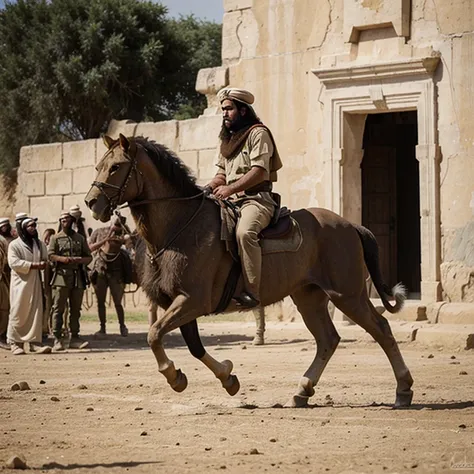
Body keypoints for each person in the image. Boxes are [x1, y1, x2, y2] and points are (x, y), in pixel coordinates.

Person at [206, 87, 283, 342]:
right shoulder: (227, 139)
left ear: (242, 110)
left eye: (228, 109)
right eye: (223, 109)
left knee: (244, 232)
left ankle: (251, 292)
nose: (224, 114)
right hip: (230, 199)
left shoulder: (258, 133)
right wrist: (207, 187)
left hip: (256, 200)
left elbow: (260, 171)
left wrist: (231, 188)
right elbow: (221, 174)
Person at [48, 210, 92, 351]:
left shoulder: (80, 238)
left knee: (75, 309)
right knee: (58, 308)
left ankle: (75, 338)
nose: (64, 221)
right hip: (61, 277)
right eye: (61, 219)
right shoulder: (55, 238)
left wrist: (80, 260)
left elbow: (89, 257)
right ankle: (57, 339)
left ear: (72, 221)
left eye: (66, 219)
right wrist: (63, 259)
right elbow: (50, 255)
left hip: (77, 277)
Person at [7, 217, 51, 355]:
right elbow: (13, 263)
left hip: (35, 283)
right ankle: (15, 343)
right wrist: (33, 265)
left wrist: (44, 264)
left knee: (35, 312)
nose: (33, 228)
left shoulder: (39, 244)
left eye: (34, 225)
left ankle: (34, 343)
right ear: (23, 228)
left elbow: (45, 258)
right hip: (20, 284)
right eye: (30, 226)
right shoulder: (14, 245)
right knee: (18, 311)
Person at [88, 215, 132, 336]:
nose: (117, 227)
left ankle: (122, 326)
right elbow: (90, 248)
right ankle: (102, 327)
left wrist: (125, 238)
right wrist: (106, 239)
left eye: (119, 225)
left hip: (116, 273)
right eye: (116, 224)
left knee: (118, 302)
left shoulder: (123, 233)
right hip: (101, 270)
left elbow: (130, 245)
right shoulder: (99, 232)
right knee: (100, 302)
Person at [41, 228, 56, 340]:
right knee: (45, 306)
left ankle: (52, 329)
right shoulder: (41, 249)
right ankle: (44, 329)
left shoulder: (53, 251)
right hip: (43, 282)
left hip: (53, 282)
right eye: (47, 237)